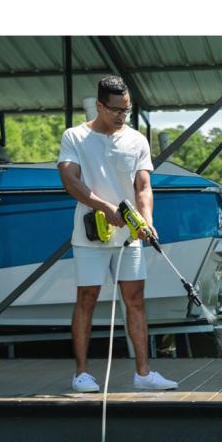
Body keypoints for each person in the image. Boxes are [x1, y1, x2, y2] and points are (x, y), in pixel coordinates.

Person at [57, 75, 177, 393]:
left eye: (127, 110)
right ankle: (81, 374)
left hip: (129, 235)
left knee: (135, 299)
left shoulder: (137, 140)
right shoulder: (75, 137)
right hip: (90, 235)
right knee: (87, 298)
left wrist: (146, 220)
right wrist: (104, 206)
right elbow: (70, 181)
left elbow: (143, 186)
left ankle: (144, 374)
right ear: (100, 106)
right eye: (117, 110)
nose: (123, 116)